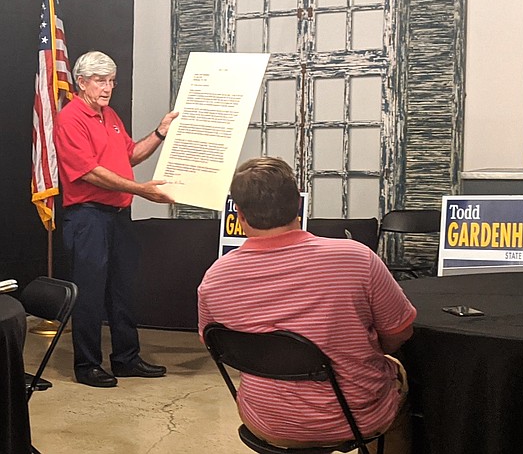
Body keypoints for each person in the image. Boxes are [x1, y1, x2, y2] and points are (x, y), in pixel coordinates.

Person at [198, 157, 416, 454]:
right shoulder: (356, 258)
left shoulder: (215, 279)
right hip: (355, 419)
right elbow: (400, 332)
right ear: (297, 206)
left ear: (240, 215)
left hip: (265, 422)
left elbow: (217, 346)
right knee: (403, 380)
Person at [55, 51, 178, 388]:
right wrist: (141, 190)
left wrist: (160, 132)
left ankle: (125, 359)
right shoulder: (71, 118)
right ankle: (87, 365)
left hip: (117, 215)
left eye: (111, 81)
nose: (108, 88)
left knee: (122, 290)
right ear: (81, 82)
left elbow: (129, 155)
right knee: (90, 293)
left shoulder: (108, 115)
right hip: (88, 217)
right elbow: (90, 173)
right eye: (100, 81)